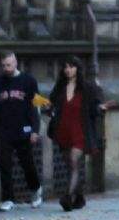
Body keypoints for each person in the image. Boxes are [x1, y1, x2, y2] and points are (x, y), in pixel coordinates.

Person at [46, 56, 109, 211]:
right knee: (69, 165)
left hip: (80, 131)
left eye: (71, 67)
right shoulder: (60, 87)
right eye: (66, 67)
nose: (68, 70)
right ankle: (79, 197)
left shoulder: (86, 87)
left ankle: (67, 198)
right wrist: (47, 108)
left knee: (74, 162)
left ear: (77, 69)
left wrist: (100, 108)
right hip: (63, 131)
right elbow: (51, 104)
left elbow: (94, 107)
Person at [0, 52, 43, 211]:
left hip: (24, 128)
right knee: (4, 164)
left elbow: (36, 106)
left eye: (9, 65)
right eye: (4, 65)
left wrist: (35, 129)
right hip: (4, 130)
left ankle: (36, 190)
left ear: (16, 62)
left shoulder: (29, 81)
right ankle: (7, 198)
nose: (7, 68)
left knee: (27, 163)